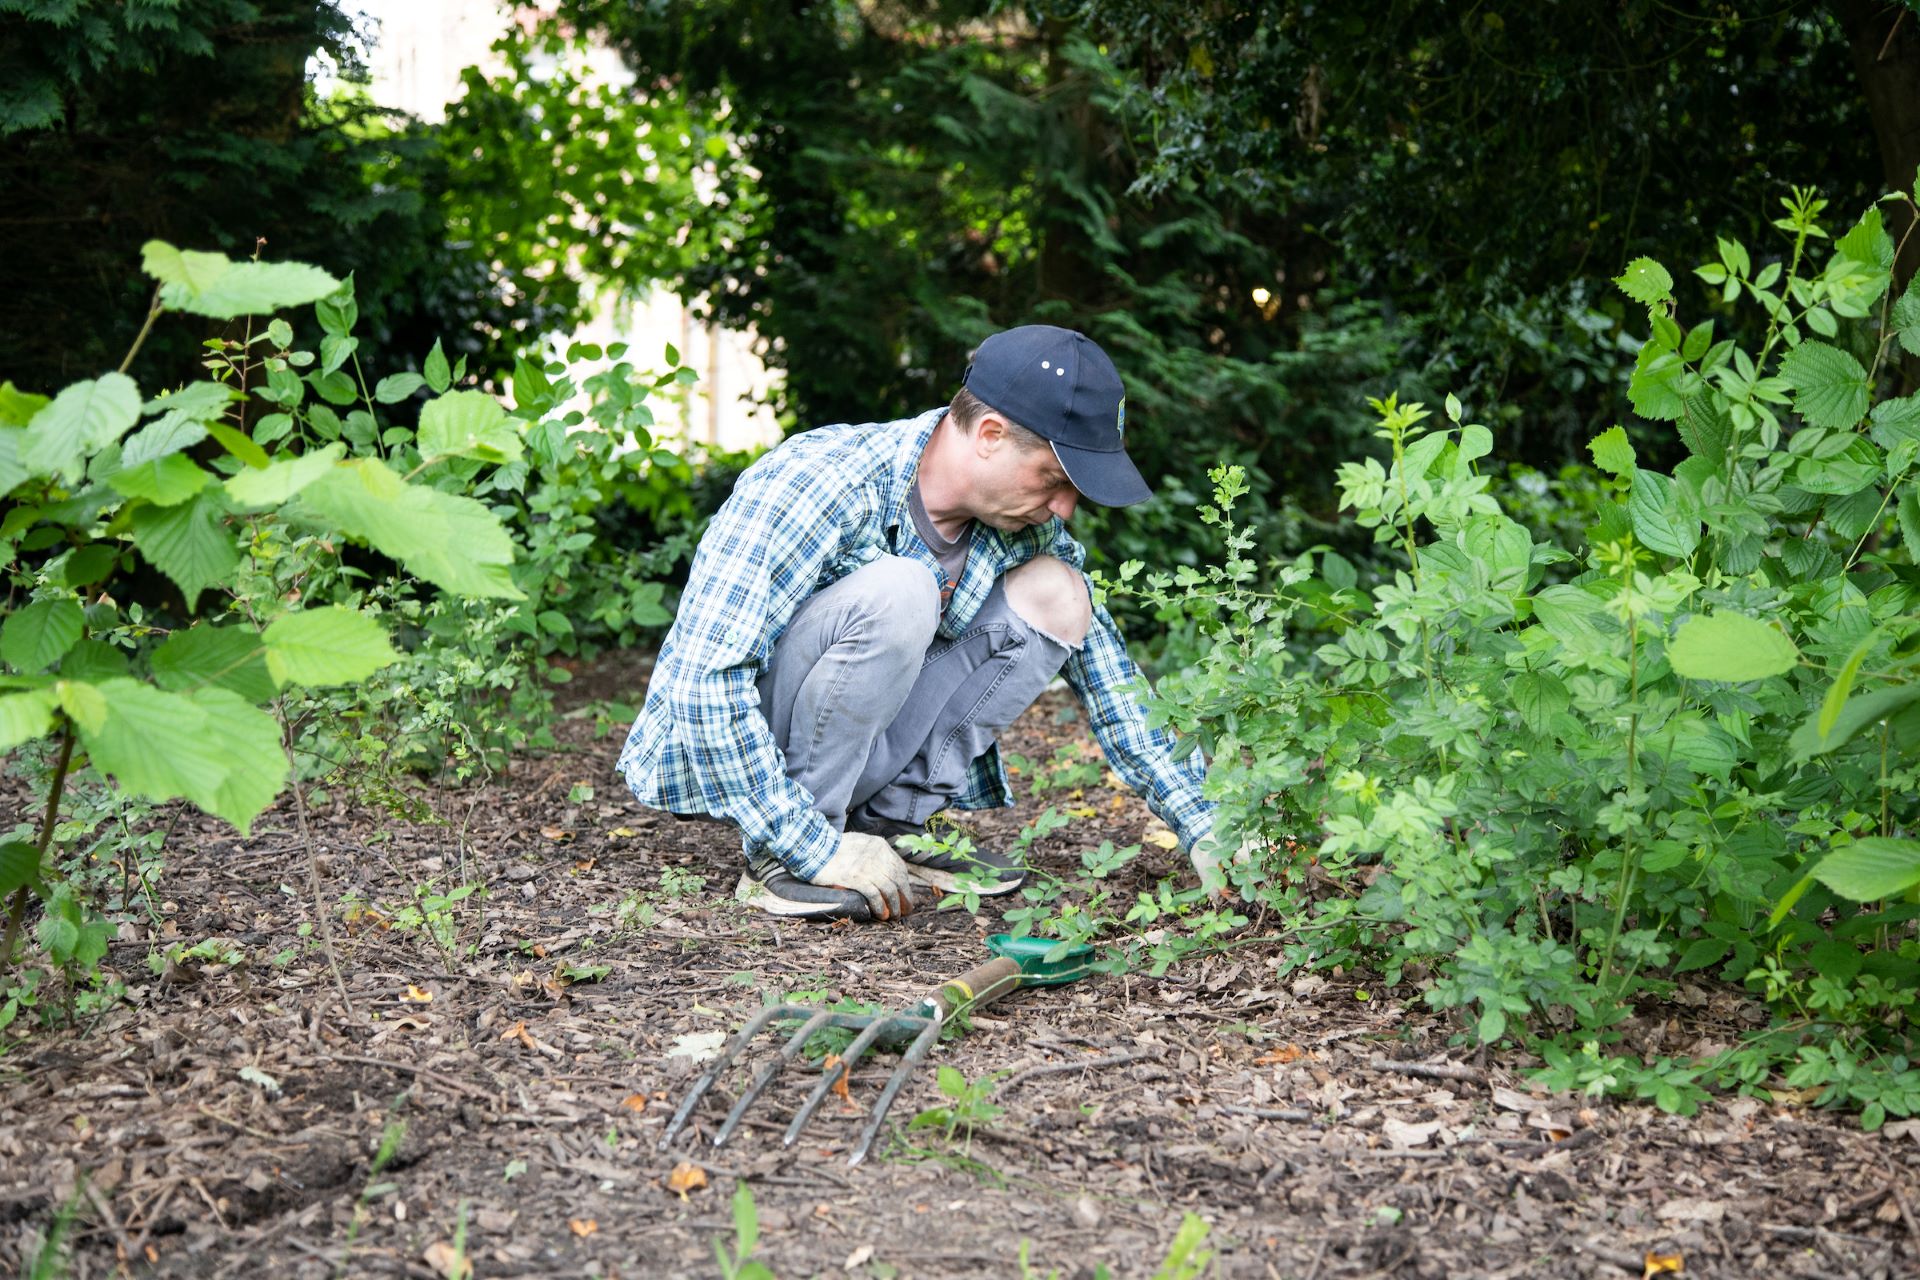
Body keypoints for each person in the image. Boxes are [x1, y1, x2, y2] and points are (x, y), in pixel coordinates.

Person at [617, 324, 1223, 921]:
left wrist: (1203, 826)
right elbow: (704, 678)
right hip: (755, 752)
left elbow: (1110, 677)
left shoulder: (1024, 529)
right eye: (1055, 479)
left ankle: (890, 824)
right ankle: (791, 855)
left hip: (856, 743)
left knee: (1062, 593)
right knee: (905, 586)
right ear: (989, 434)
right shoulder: (823, 481)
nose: (1065, 506)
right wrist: (804, 842)